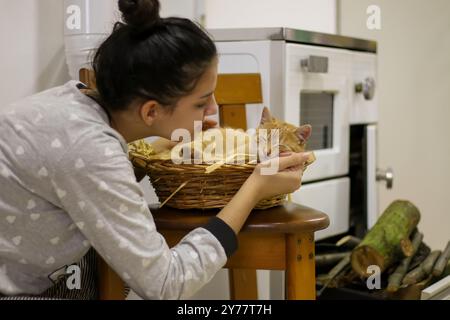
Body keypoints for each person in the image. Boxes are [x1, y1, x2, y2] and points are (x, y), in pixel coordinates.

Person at [0, 0, 310, 299]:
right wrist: (255, 187)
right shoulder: (88, 149)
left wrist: (166, 144)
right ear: (151, 112)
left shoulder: (72, 101)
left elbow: (91, 184)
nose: (213, 110)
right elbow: (167, 285)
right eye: (202, 102)